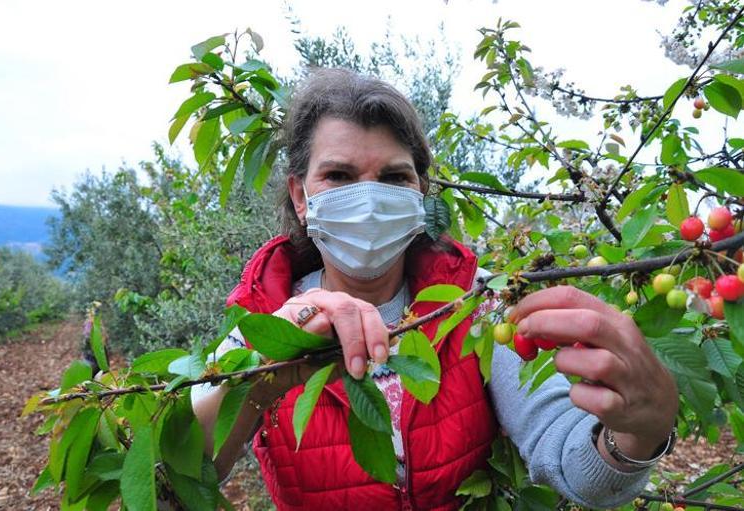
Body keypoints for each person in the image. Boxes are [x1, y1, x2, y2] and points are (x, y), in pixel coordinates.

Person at [192, 68, 679, 510]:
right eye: (338, 176)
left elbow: (572, 459)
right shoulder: (265, 320)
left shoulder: (475, 300)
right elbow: (177, 479)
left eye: (394, 177)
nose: (369, 200)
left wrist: (638, 433)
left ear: (421, 193)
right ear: (301, 196)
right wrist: (262, 379)